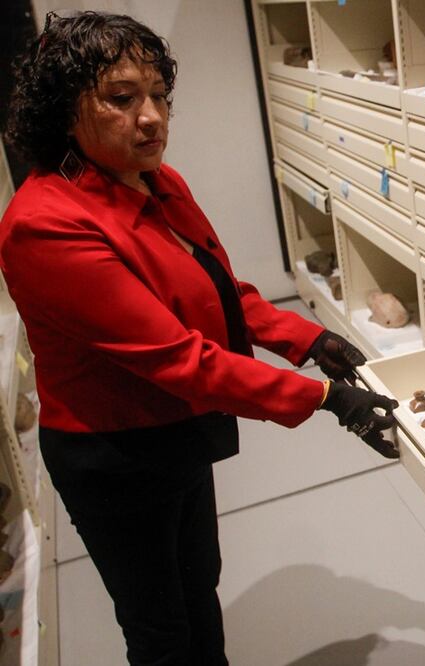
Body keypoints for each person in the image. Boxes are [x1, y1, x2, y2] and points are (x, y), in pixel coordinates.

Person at [0, 11, 399, 665]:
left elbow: (214, 290)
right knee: (160, 628)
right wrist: (324, 398)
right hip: (116, 455)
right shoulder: (46, 224)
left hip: (179, 427)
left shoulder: (154, 180)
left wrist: (305, 339)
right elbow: (179, 357)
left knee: (198, 585)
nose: (151, 117)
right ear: (63, 109)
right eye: (121, 98)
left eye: (159, 96)